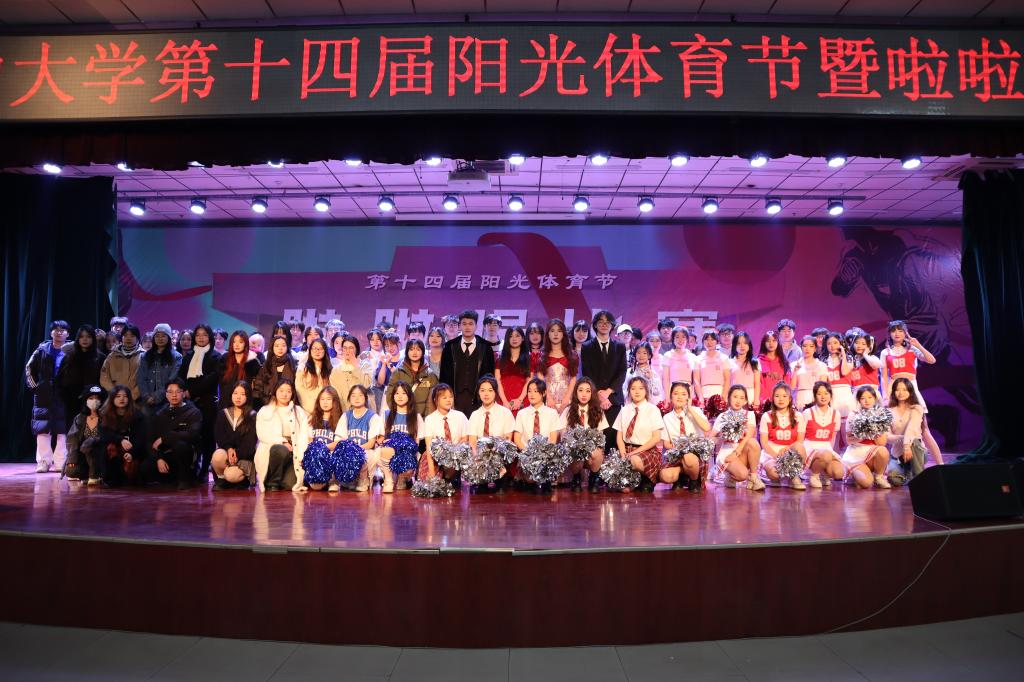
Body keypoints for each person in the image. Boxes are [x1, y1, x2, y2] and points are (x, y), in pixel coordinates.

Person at [880, 320, 943, 465]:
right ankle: (892, 465)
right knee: (892, 429)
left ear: (905, 333)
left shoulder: (912, 349)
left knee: (924, 429)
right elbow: (883, 377)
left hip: (911, 389)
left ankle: (941, 465)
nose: (897, 333)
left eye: (900, 330)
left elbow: (932, 360)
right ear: (889, 334)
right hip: (894, 390)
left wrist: (918, 345)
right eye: (894, 331)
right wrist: (885, 396)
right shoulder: (885, 352)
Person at [178, 324, 222, 480]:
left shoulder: (216, 357)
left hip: (208, 402)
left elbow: (212, 379)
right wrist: (184, 391)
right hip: (190, 403)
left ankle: (205, 470)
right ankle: (193, 468)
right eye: (198, 335)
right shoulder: (188, 356)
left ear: (209, 337)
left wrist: (192, 391)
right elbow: (181, 377)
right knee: (193, 436)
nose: (201, 338)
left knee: (208, 437)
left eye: (204, 335)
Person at [580, 310, 628, 452]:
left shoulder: (619, 346)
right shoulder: (586, 347)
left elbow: (622, 372)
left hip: (614, 399)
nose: (604, 325)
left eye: (607, 322)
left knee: (613, 438)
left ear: (612, 325)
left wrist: (608, 392)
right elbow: (587, 373)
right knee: (596, 439)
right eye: (600, 322)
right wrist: (599, 396)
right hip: (595, 399)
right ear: (595, 325)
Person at [26, 320, 70, 473]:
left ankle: (61, 462)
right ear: (51, 333)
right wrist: (36, 387)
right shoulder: (41, 350)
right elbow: (29, 368)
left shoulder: (71, 350)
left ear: (68, 334)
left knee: (63, 429)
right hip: (44, 394)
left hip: (63, 393)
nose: (59, 332)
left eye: (63, 329)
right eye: (56, 329)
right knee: (42, 428)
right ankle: (44, 462)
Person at [144, 378, 202, 490]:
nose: (174, 395)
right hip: (165, 455)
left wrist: (165, 438)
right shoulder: (159, 414)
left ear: (184, 393)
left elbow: (192, 434)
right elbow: (151, 440)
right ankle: (168, 478)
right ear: (166, 394)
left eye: (178, 391)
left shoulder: (193, 412)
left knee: (180, 445)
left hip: (185, 455)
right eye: (170, 392)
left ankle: (184, 479)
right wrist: (159, 459)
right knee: (144, 468)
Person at [439, 310, 497, 416]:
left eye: (471, 324)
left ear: (476, 326)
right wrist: (445, 397)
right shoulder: (450, 347)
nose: (467, 327)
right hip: (454, 399)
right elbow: (444, 376)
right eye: (464, 324)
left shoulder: (486, 347)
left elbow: (490, 376)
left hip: (478, 399)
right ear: (460, 326)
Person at [255, 380, 309, 492]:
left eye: (288, 391)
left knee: (291, 484)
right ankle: (272, 481)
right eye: (281, 390)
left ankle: (281, 478)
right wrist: (282, 441)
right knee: (280, 449)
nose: (285, 394)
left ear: (292, 394)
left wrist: (301, 454)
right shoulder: (265, 411)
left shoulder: (299, 411)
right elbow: (262, 434)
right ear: (275, 391)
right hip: (273, 450)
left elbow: (304, 435)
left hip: (293, 452)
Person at [613, 377, 664, 493]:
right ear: (629, 391)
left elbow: (656, 438)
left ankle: (648, 479)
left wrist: (634, 453)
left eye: (641, 388)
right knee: (624, 490)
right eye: (633, 389)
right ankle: (636, 479)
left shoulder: (653, 410)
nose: (637, 392)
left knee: (634, 460)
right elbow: (619, 436)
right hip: (627, 450)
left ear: (646, 391)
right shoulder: (624, 410)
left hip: (647, 450)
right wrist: (623, 454)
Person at [90, 384, 147, 486]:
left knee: (133, 472)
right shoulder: (104, 414)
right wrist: (120, 440)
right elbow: (103, 434)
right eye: (118, 396)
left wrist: (132, 453)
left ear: (129, 399)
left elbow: (141, 438)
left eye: (125, 396)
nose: (122, 399)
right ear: (112, 398)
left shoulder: (137, 416)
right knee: (107, 447)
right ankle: (108, 477)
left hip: (132, 449)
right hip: (113, 450)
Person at [659, 381, 711, 492]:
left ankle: (694, 480)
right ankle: (682, 475)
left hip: (694, 454)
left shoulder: (695, 411)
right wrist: (680, 448)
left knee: (688, 458)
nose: (679, 397)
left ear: (688, 398)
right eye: (676, 393)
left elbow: (707, 428)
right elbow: (666, 444)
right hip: (676, 454)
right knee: (665, 476)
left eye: (683, 394)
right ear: (671, 397)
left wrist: (690, 409)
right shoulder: (667, 418)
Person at [466, 376, 515, 493]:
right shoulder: (475, 415)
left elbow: (508, 440)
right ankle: (481, 480)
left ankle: (500, 481)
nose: (486, 394)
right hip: (480, 458)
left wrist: (493, 455)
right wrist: (477, 458)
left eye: (490, 390)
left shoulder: (505, 413)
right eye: (482, 390)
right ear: (478, 393)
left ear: (495, 392)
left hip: (499, 456)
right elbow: (472, 442)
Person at [710, 385, 764, 491]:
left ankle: (754, 477)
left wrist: (736, 452)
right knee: (742, 475)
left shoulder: (750, 414)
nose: (738, 400)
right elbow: (712, 437)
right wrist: (721, 438)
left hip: (741, 450)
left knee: (753, 442)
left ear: (745, 401)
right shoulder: (722, 416)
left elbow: (749, 434)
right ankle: (730, 477)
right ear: (729, 398)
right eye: (735, 397)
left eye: (741, 398)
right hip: (726, 452)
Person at [513, 378, 563, 494]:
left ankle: (546, 480)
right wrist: (529, 453)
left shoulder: (552, 413)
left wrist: (544, 454)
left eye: (536, 391)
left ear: (544, 393)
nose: (532, 394)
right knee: (530, 482)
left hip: (546, 455)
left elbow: (553, 439)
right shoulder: (522, 413)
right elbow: (517, 439)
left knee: (543, 486)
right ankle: (527, 479)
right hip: (527, 454)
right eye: (529, 391)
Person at [561, 377, 607, 491]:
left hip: (592, 449)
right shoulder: (568, 410)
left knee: (597, 452)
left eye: (588, 391)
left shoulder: (598, 411)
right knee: (575, 452)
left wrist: (591, 445)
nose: (584, 394)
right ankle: (576, 479)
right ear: (576, 392)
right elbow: (562, 433)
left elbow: (601, 436)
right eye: (580, 390)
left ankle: (594, 478)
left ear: (592, 393)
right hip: (575, 450)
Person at [759, 382, 808, 490]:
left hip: (790, 451)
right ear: (772, 398)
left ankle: (794, 476)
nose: (781, 399)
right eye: (777, 396)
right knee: (775, 473)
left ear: (790, 399)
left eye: (784, 396)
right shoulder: (766, 416)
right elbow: (764, 443)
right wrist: (776, 456)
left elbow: (800, 441)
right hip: (772, 453)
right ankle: (776, 477)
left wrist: (787, 449)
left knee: (799, 447)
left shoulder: (798, 416)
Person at [377, 381, 425, 492]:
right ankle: (388, 479)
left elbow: (417, 442)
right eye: (397, 393)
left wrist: (405, 446)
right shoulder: (386, 414)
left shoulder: (416, 416)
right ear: (393, 396)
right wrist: (386, 442)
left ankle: (403, 477)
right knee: (384, 450)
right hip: (389, 453)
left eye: (403, 393)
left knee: (405, 470)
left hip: (407, 454)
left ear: (409, 396)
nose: (400, 396)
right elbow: (380, 439)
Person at [841, 386, 892, 490]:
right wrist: (863, 433)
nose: (866, 401)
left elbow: (882, 443)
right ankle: (854, 475)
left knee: (883, 451)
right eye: (863, 398)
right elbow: (849, 440)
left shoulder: (881, 415)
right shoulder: (853, 415)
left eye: (870, 397)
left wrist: (874, 428)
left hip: (872, 452)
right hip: (856, 453)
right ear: (859, 400)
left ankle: (878, 477)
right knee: (867, 483)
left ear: (875, 398)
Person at [211, 380, 258, 490]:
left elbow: (250, 445)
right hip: (227, 453)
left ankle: (242, 480)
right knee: (218, 455)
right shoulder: (223, 413)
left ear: (247, 397)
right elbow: (219, 436)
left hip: (244, 457)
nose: (238, 397)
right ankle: (222, 480)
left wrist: (236, 454)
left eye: (242, 394)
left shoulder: (252, 415)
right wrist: (228, 448)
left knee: (231, 475)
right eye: (235, 393)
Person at [419, 383, 469, 484]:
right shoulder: (430, 419)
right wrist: (432, 472)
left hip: (456, 455)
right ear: (435, 400)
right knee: (429, 484)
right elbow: (429, 447)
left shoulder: (460, 416)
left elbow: (466, 438)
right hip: (436, 457)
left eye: (451, 397)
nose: (448, 400)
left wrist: (454, 449)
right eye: (444, 397)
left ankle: (453, 477)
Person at [56, 324, 105, 423]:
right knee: (72, 430)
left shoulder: (101, 358)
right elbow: (59, 379)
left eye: (88, 336)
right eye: (81, 336)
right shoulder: (69, 357)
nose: (84, 339)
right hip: (71, 403)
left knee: (91, 431)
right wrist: (64, 397)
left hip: (93, 403)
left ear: (93, 339)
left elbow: (103, 382)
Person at [302, 386, 346, 492]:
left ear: (334, 401)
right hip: (316, 457)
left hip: (331, 454)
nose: (325, 402)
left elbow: (338, 442)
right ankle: (317, 477)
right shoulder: (311, 418)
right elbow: (309, 440)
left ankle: (333, 481)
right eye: (322, 399)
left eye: (328, 399)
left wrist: (322, 449)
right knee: (316, 487)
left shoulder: (341, 418)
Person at [341, 384, 383, 492]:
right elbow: (341, 439)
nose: (357, 398)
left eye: (360, 395)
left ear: (365, 398)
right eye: (353, 395)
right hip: (349, 453)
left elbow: (371, 443)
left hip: (366, 451)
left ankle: (363, 480)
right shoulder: (345, 416)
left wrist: (355, 450)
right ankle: (348, 479)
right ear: (349, 399)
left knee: (363, 455)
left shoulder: (373, 417)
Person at [802, 381, 844, 488]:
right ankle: (814, 476)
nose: (823, 396)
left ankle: (823, 473)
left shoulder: (836, 414)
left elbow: (833, 438)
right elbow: (800, 437)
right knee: (825, 455)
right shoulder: (807, 413)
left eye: (826, 393)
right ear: (815, 396)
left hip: (826, 448)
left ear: (830, 395)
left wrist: (830, 451)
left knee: (839, 472)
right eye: (819, 393)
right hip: (809, 447)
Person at [137, 323, 182, 419]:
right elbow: (141, 378)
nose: (160, 338)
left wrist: (156, 396)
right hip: (147, 400)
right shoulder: (145, 356)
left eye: (163, 336)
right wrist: (146, 396)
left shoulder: (177, 357)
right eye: (157, 336)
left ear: (169, 337)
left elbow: (172, 379)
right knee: (148, 425)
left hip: (167, 399)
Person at [886, 377, 926, 484]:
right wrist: (903, 439)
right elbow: (888, 437)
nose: (901, 393)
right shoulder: (888, 411)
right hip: (897, 455)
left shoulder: (916, 408)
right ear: (894, 392)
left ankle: (919, 477)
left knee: (914, 441)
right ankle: (907, 473)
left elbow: (911, 429)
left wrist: (906, 446)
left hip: (915, 450)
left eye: (904, 389)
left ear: (910, 391)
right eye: (897, 390)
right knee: (894, 480)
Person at [385, 339, 437, 418]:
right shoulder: (398, 372)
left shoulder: (430, 375)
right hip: (402, 417)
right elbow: (390, 394)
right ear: (407, 352)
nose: (414, 353)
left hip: (423, 418)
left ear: (423, 352)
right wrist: (399, 414)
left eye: (418, 349)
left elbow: (432, 400)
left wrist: (426, 419)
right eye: (411, 349)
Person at [63, 385, 105, 482]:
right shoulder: (80, 418)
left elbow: (107, 436)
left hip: (100, 454)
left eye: (97, 398)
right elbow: (72, 439)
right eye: (91, 398)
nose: (94, 401)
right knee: (71, 471)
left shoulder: (106, 417)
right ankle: (85, 473)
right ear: (86, 400)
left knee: (89, 444)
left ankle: (95, 475)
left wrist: (93, 441)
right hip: (83, 454)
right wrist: (72, 458)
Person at [540, 319, 578, 414]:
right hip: (547, 400)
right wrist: (548, 398)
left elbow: (573, 378)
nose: (556, 334)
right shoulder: (542, 356)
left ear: (563, 334)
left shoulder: (572, 355)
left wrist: (567, 398)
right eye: (552, 331)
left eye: (559, 331)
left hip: (567, 400)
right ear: (548, 334)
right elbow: (541, 379)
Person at [329, 334, 375, 412]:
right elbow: (336, 395)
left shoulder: (365, 365)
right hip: (345, 412)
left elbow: (366, 384)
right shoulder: (336, 370)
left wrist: (355, 366)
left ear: (357, 349)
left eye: (351, 348)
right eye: (345, 348)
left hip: (365, 411)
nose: (347, 351)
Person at [99, 323, 144, 401]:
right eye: (125, 335)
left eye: (132, 336)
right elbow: (104, 377)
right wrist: (116, 394)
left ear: (137, 338)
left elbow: (145, 380)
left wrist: (131, 396)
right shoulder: (112, 356)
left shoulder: (144, 356)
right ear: (121, 338)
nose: (128, 338)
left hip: (136, 401)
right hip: (114, 399)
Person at [217, 331, 261, 409]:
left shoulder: (252, 362)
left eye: (240, 342)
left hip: (245, 405)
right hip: (225, 404)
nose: (236, 345)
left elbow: (256, 386)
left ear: (245, 344)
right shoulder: (224, 359)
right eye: (234, 342)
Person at [252, 334, 297, 409]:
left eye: (283, 345)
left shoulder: (293, 366)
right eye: (276, 346)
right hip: (267, 404)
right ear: (272, 348)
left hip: (288, 405)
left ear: (287, 348)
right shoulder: (266, 366)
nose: (280, 348)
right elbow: (258, 386)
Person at [495, 326, 531, 415]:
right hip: (503, 400)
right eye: (511, 336)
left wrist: (519, 400)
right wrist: (504, 402)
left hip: (523, 401)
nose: (514, 339)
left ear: (523, 338)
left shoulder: (529, 358)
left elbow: (529, 381)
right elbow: (497, 380)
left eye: (517, 336)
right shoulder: (500, 358)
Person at [294, 338, 332, 415]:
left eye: (320, 348)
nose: (317, 351)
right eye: (314, 348)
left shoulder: (330, 370)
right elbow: (300, 390)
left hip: (327, 411)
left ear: (325, 351)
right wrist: (313, 409)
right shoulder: (303, 369)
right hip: (307, 411)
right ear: (310, 350)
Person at [790, 335, 828, 409]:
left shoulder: (821, 365)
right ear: (801, 347)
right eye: (805, 346)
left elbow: (823, 387)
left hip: (816, 397)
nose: (807, 349)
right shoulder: (794, 365)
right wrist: (795, 371)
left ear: (815, 349)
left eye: (811, 346)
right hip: (799, 397)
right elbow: (792, 387)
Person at [662, 326, 700, 400]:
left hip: (688, 394)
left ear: (687, 339)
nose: (680, 340)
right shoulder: (668, 355)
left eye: (683, 337)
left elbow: (695, 381)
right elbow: (665, 379)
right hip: (673, 393)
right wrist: (667, 398)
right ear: (673, 339)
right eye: (677, 337)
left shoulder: (692, 357)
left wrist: (699, 397)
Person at [757, 330, 791, 405]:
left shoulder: (784, 362)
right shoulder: (758, 362)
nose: (771, 343)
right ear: (764, 343)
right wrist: (768, 399)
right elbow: (758, 383)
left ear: (778, 342)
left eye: (774, 341)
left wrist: (782, 397)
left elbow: (787, 383)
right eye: (768, 341)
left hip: (781, 401)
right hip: (765, 402)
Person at [695, 331, 729, 402]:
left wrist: (723, 397)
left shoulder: (724, 358)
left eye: (712, 339)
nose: (709, 342)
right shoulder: (698, 359)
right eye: (707, 339)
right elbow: (696, 381)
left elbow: (727, 380)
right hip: (704, 392)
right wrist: (701, 398)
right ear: (703, 341)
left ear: (717, 342)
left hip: (720, 392)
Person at [729, 331, 760, 407]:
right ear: (734, 346)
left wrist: (756, 400)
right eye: (739, 343)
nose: (742, 346)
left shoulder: (755, 362)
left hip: (750, 396)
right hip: (735, 396)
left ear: (749, 345)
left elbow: (757, 383)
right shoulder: (729, 362)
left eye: (745, 343)